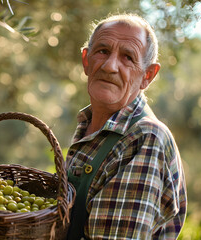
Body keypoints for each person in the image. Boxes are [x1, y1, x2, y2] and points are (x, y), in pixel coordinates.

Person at [65, 13, 187, 239]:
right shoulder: (90, 126)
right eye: (102, 51)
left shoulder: (145, 138)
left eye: (128, 57)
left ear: (147, 76)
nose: (110, 66)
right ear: (86, 60)